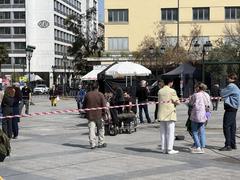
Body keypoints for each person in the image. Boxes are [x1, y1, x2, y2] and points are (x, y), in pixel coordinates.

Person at [157, 78, 180, 154]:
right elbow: (177, 102)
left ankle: (164, 149)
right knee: (170, 132)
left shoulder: (160, 91)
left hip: (161, 113)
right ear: (171, 82)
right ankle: (170, 149)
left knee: (163, 132)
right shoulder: (172, 91)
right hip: (169, 113)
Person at [82, 82, 107, 149]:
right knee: (101, 129)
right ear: (98, 87)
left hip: (90, 116)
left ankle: (92, 144)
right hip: (99, 115)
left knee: (91, 130)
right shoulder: (100, 94)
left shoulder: (87, 95)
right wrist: (104, 114)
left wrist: (86, 112)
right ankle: (101, 143)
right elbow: (104, 106)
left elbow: (83, 106)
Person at [189, 83, 211, 154]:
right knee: (202, 131)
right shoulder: (207, 95)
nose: (195, 88)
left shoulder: (195, 95)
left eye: (195, 87)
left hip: (196, 115)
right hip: (205, 114)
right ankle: (202, 146)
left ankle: (198, 147)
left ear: (198, 87)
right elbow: (209, 105)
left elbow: (191, 103)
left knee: (194, 131)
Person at [220, 73, 240, 151]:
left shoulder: (231, 86)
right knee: (232, 127)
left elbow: (222, 93)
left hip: (230, 107)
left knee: (226, 126)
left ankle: (228, 145)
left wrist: (222, 91)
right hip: (234, 108)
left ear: (233, 79)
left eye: (229, 78)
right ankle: (232, 144)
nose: (227, 78)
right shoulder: (236, 87)